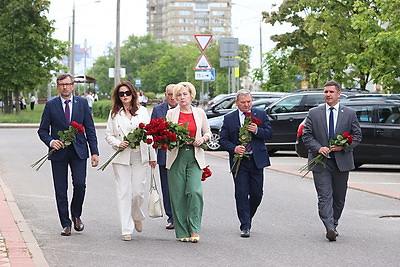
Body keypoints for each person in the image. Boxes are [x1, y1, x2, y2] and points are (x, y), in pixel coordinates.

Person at [37, 73, 99, 236]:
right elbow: (42, 130)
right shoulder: (51, 105)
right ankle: (66, 224)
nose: (65, 87)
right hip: (58, 153)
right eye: (61, 84)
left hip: (79, 151)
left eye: (68, 84)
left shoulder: (83, 103)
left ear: (73, 86)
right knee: (60, 189)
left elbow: (90, 129)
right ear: (57, 87)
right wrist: (51, 142)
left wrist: (95, 152)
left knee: (80, 184)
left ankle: (76, 214)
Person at [302, 80, 362, 241]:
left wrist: (343, 147)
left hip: (341, 162)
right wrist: (318, 148)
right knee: (324, 195)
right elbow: (306, 135)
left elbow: (357, 136)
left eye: (331, 92)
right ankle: (329, 226)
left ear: (338, 94)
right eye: (325, 92)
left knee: (339, 196)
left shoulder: (349, 113)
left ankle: (334, 223)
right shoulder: (314, 113)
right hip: (321, 162)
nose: (327, 95)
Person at [105, 81, 157, 241]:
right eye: (121, 94)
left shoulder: (141, 111)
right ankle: (126, 229)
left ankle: (136, 215)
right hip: (121, 157)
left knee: (137, 192)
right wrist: (117, 143)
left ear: (133, 94)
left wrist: (152, 156)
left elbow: (149, 134)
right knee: (123, 193)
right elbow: (108, 134)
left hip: (140, 156)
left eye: (127, 93)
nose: (125, 96)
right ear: (118, 96)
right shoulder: (114, 113)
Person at [219, 89, 273, 238]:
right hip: (240, 162)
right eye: (243, 102)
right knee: (241, 193)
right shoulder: (229, 118)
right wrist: (234, 148)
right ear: (237, 103)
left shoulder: (260, 114)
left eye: (249, 102)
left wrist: (257, 130)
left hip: (256, 160)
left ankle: (247, 215)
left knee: (257, 193)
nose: (246, 105)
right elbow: (223, 140)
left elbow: (269, 133)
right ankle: (245, 225)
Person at [165, 82, 211, 243]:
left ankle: (194, 228)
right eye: (178, 95)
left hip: (194, 156)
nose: (182, 97)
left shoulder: (199, 113)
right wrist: (172, 138)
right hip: (176, 156)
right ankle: (182, 231)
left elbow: (208, 132)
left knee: (194, 191)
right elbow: (166, 133)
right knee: (177, 195)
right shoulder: (171, 113)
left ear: (191, 95)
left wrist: (202, 138)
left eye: (185, 94)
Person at [151, 84, 177, 230]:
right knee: (167, 188)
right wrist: (152, 155)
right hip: (164, 154)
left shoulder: (186, 109)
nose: (172, 97)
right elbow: (152, 133)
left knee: (182, 188)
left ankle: (183, 215)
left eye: (174, 94)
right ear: (165, 95)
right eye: (169, 94)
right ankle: (171, 217)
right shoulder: (157, 110)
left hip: (180, 155)